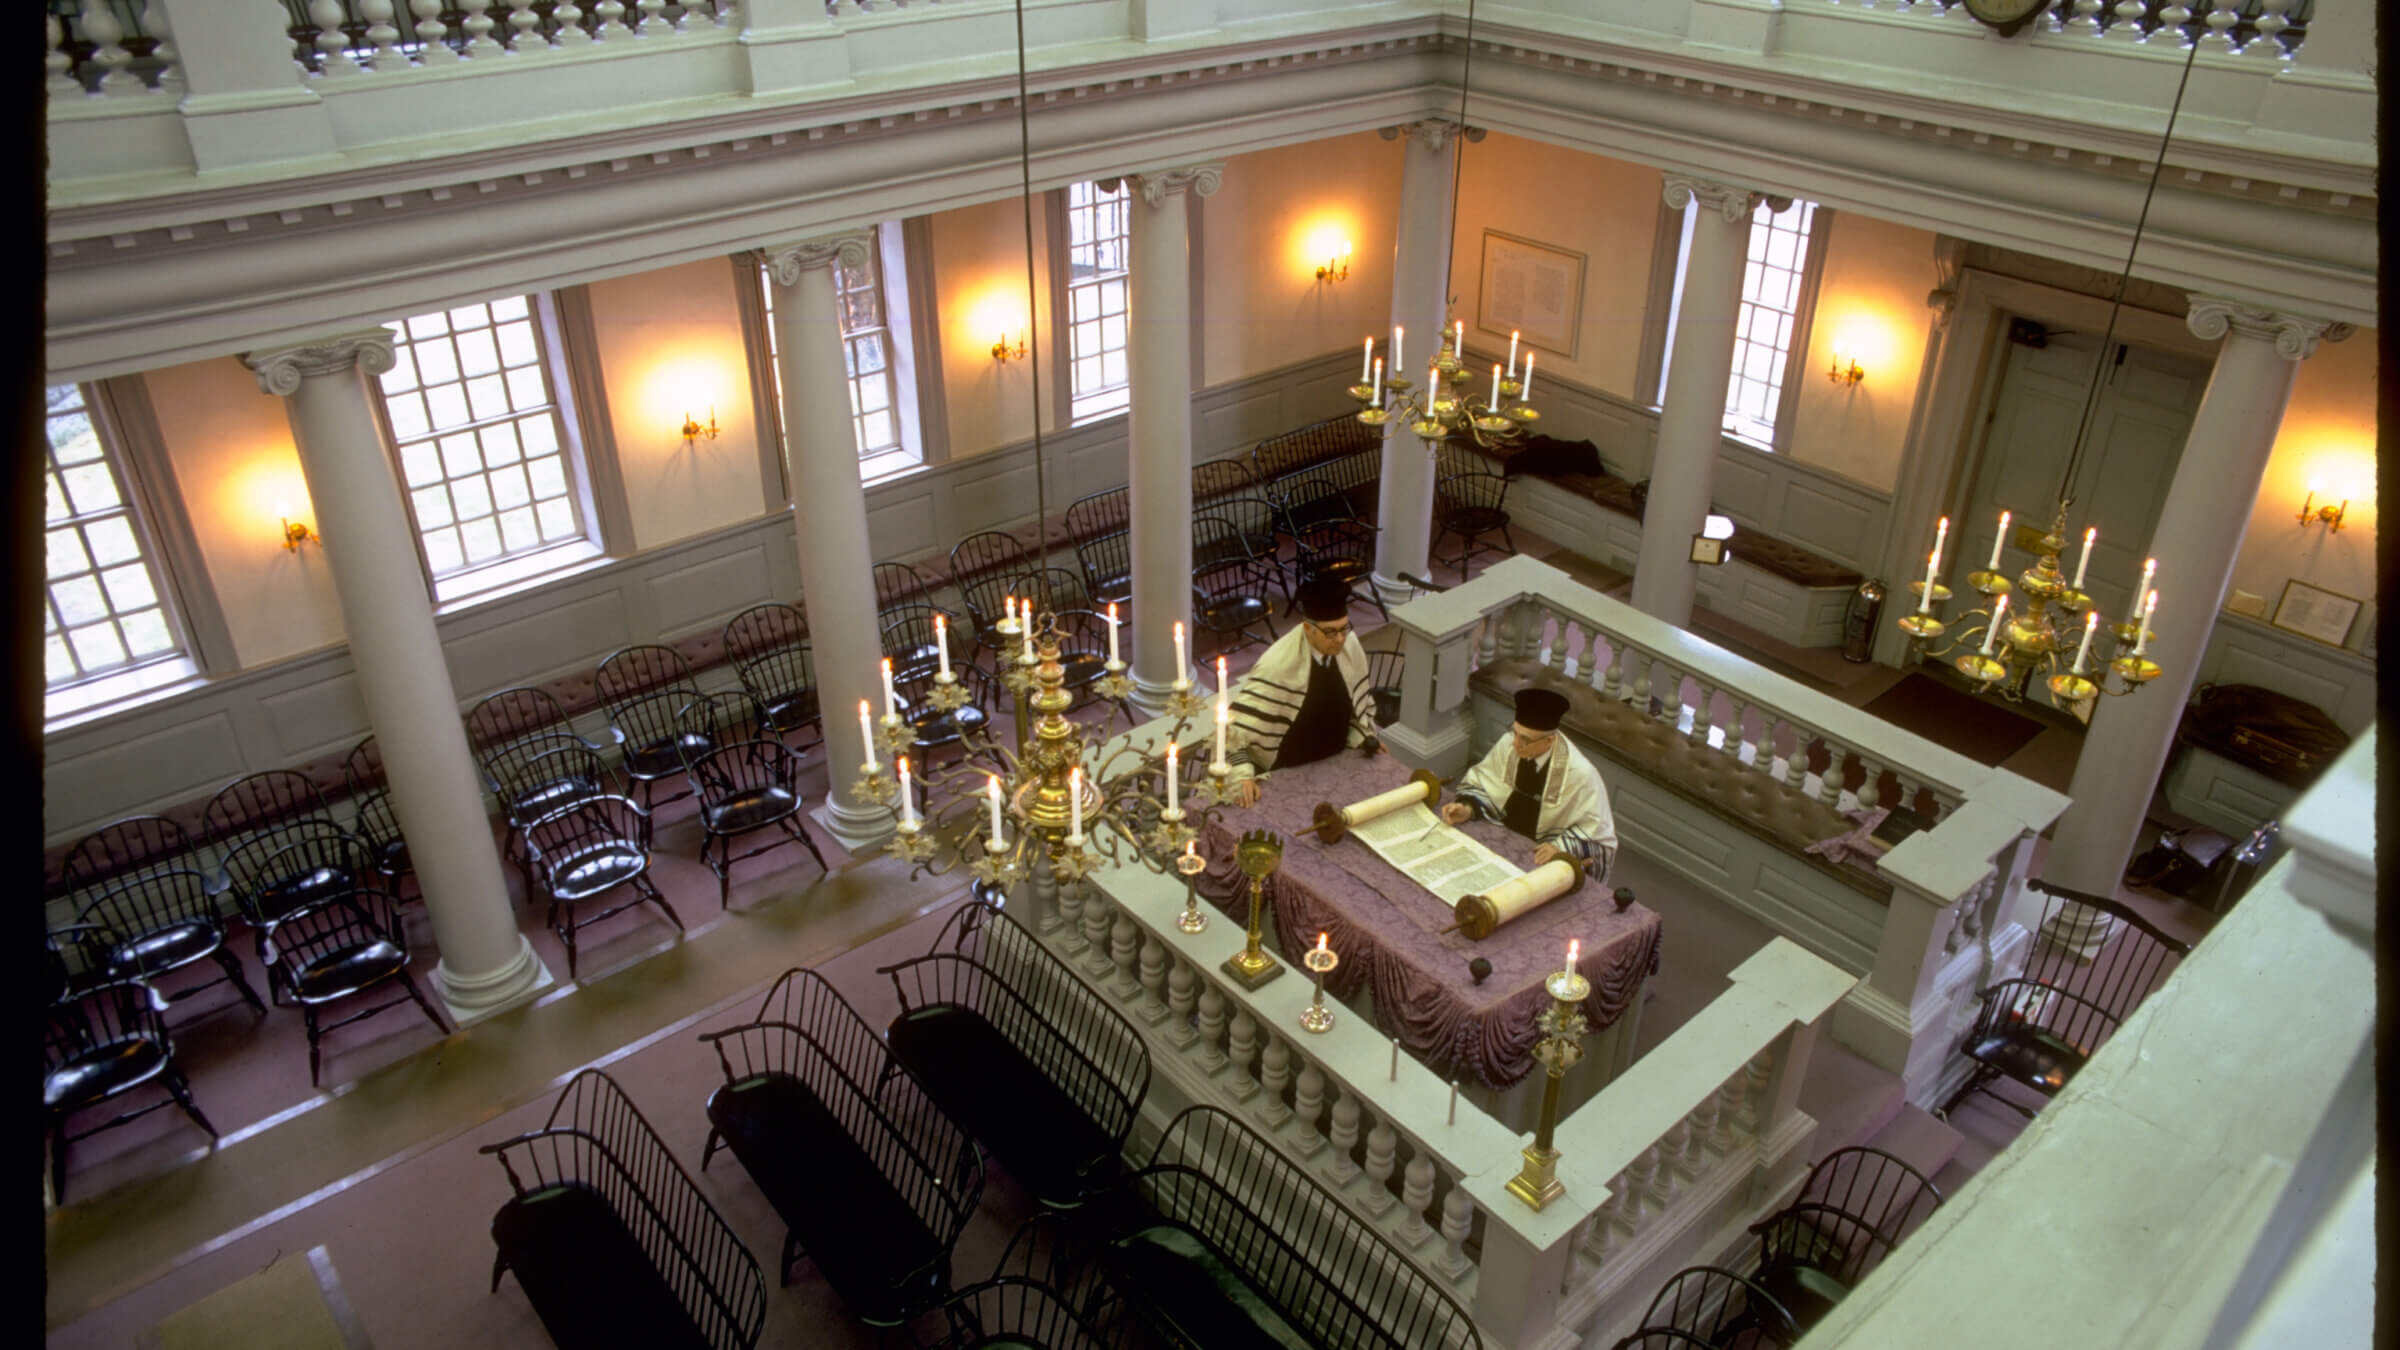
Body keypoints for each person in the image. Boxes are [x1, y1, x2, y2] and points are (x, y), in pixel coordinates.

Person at [1222, 575, 1380, 807]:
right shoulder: (1277, 665)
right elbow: (1233, 731)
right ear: (1308, 628)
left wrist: (1363, 735)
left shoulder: (1349, 643)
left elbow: (1355, 706)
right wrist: (1243, 776)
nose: (1339, 640)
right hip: (1288, 771)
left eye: (1344, 629)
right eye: (1330, 632)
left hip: (1337, 761)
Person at [1442, 686, 1616, 879]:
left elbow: (1597, 835)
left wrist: (1560, 847)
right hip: (1500, 833)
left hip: (1539, 853)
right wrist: (1467, 808)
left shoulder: (1580, 773)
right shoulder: (1510, 743)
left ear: (1549, 741)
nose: (1515, 744)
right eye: (1514, 732)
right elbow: (1484, 782)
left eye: (1525, 739)